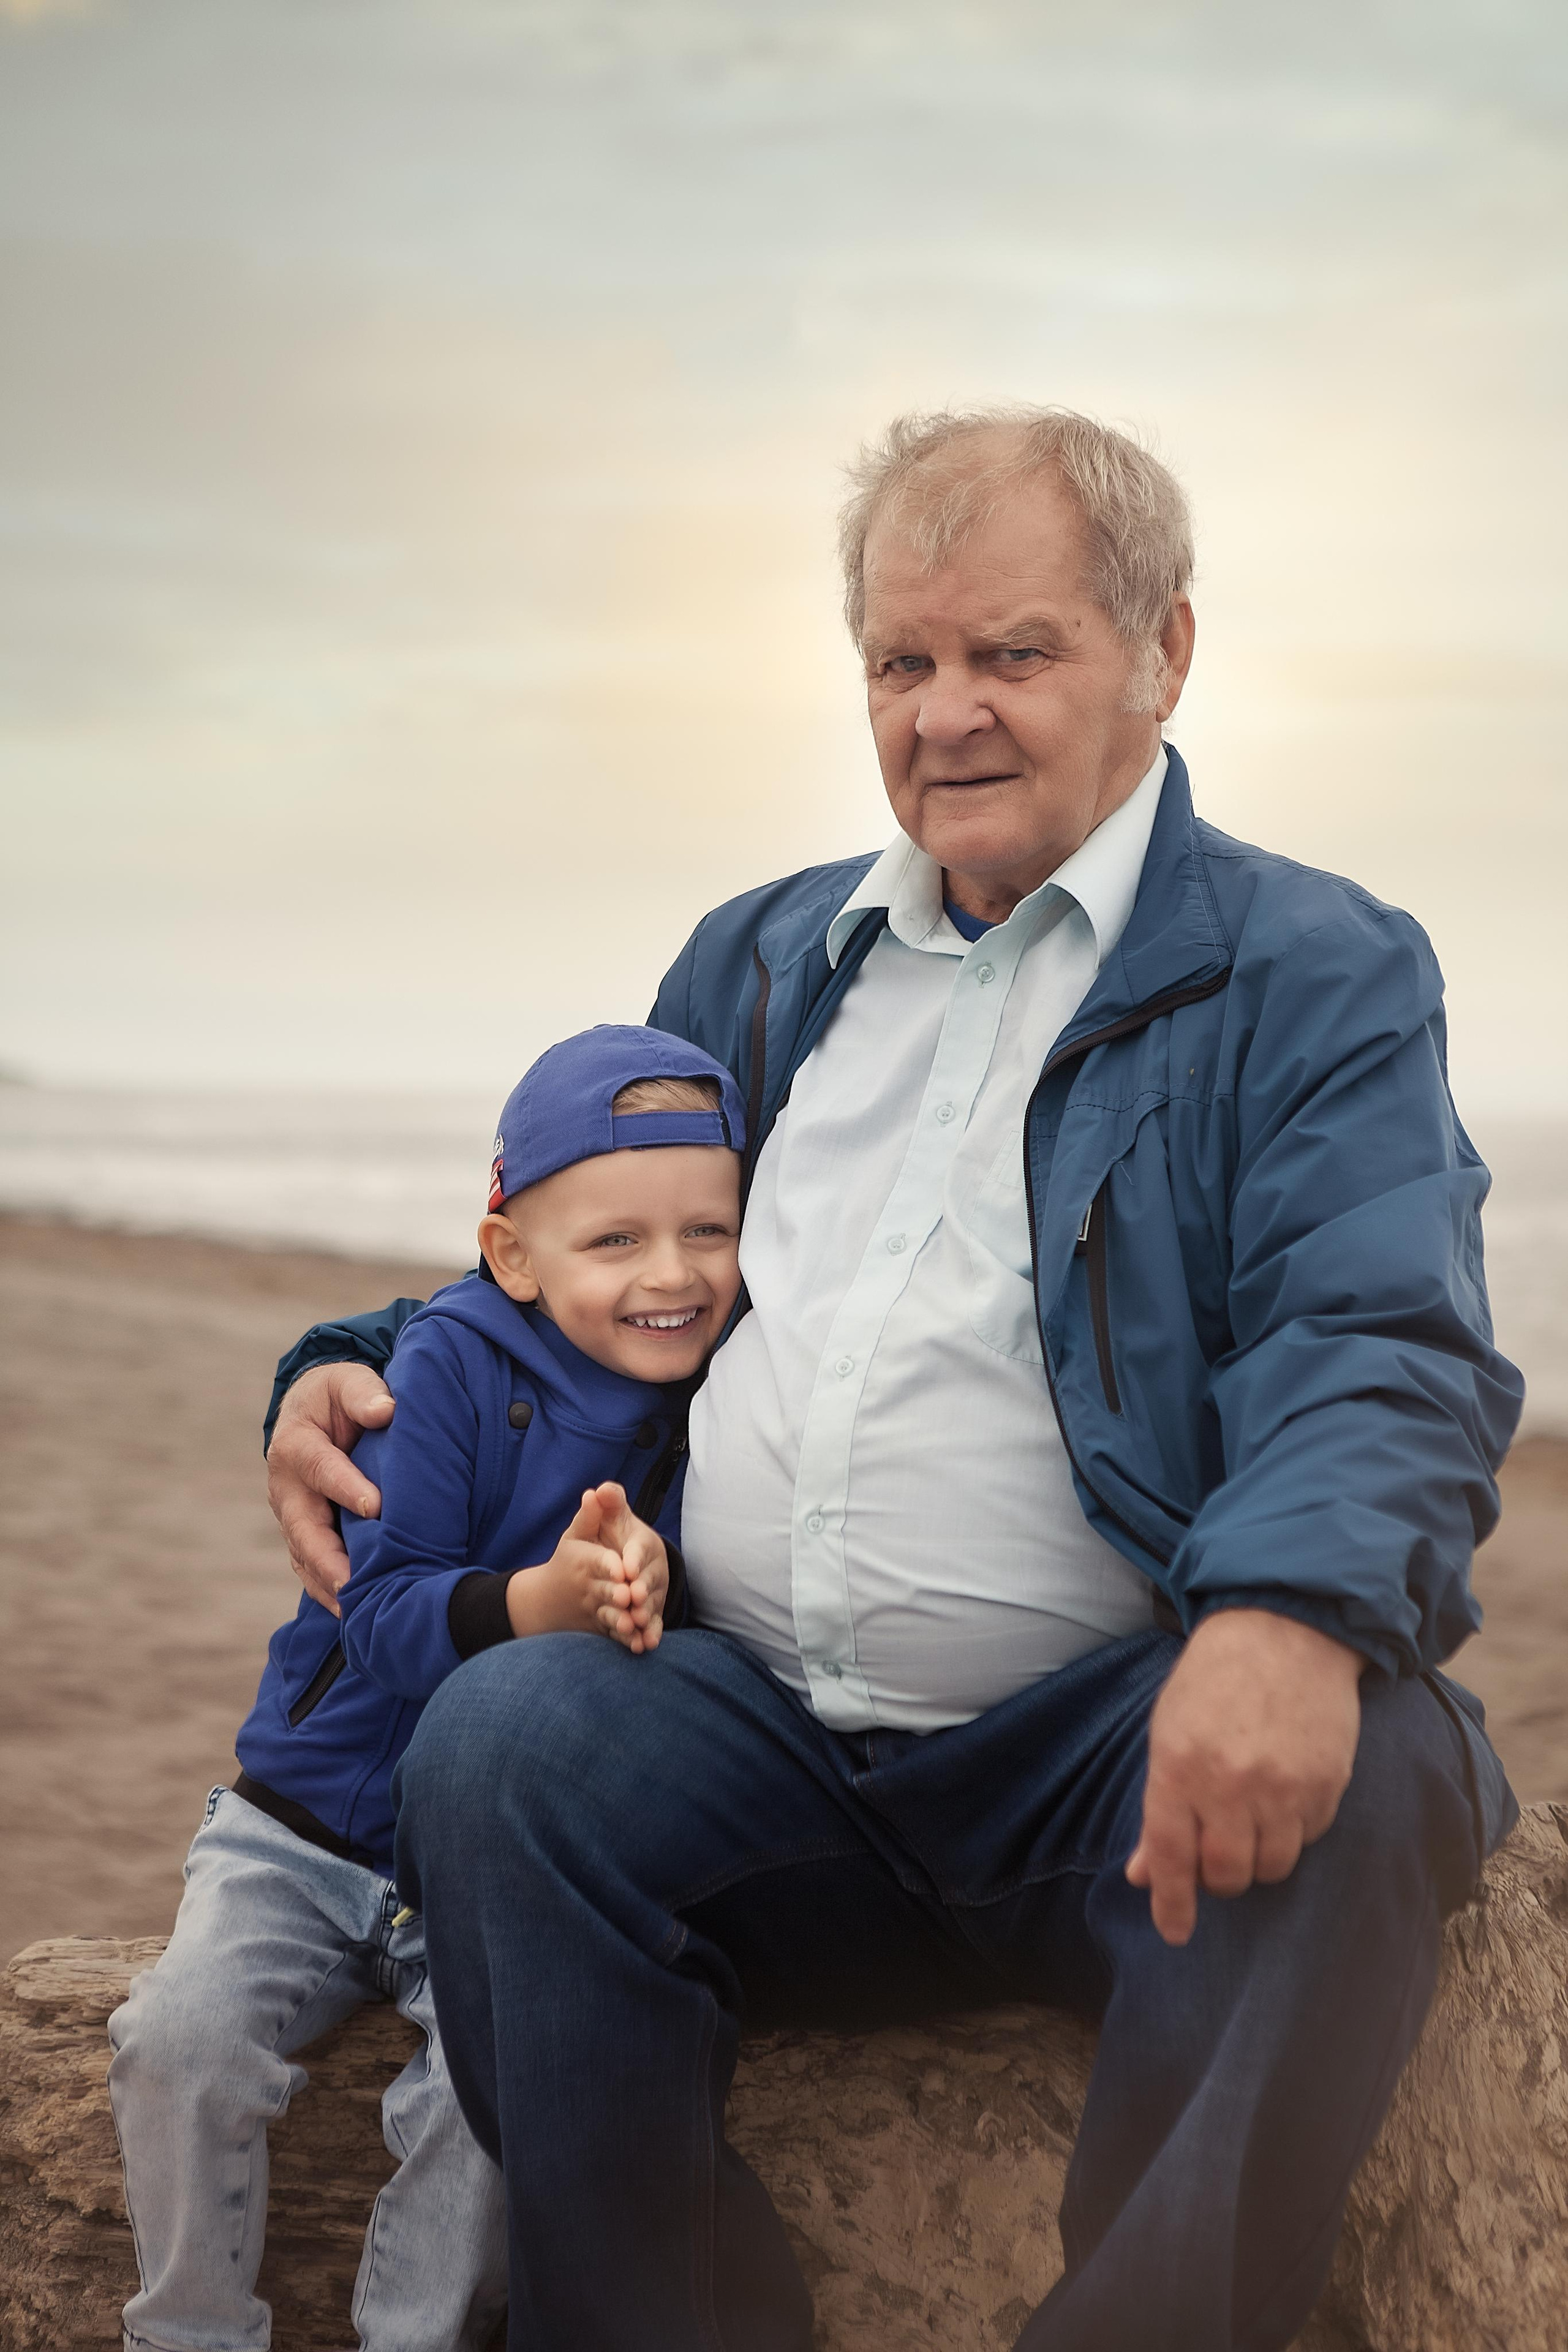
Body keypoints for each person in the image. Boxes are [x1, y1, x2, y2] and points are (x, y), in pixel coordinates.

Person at [263, 407, 1523, 2352]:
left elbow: (1378, 1333)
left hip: (1111, 1752)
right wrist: (346, 1370)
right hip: (751, 1733)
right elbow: (599, 1266)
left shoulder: (1313, 968)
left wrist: (1285, 1615)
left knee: (1366, 1771)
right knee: (504, 1746)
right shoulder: (764, 960)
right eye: (900, 661)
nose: (947, 715)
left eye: (1012, 652)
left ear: (1164, 651)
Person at [108, 1025, 746, 2352]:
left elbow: (693, 1596)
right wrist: (540, 1605)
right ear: (512, 1253)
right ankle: (188, 2329)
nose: (672, 1274)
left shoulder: (722, 1405)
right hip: (299, 1835)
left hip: (474, 1873)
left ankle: (415, 2335)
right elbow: (382, 1611)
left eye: (711, 1231)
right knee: (179, 2041)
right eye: (614, 1240)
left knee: (492, 2095)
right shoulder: (447, 1364)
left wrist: (650, 1579)